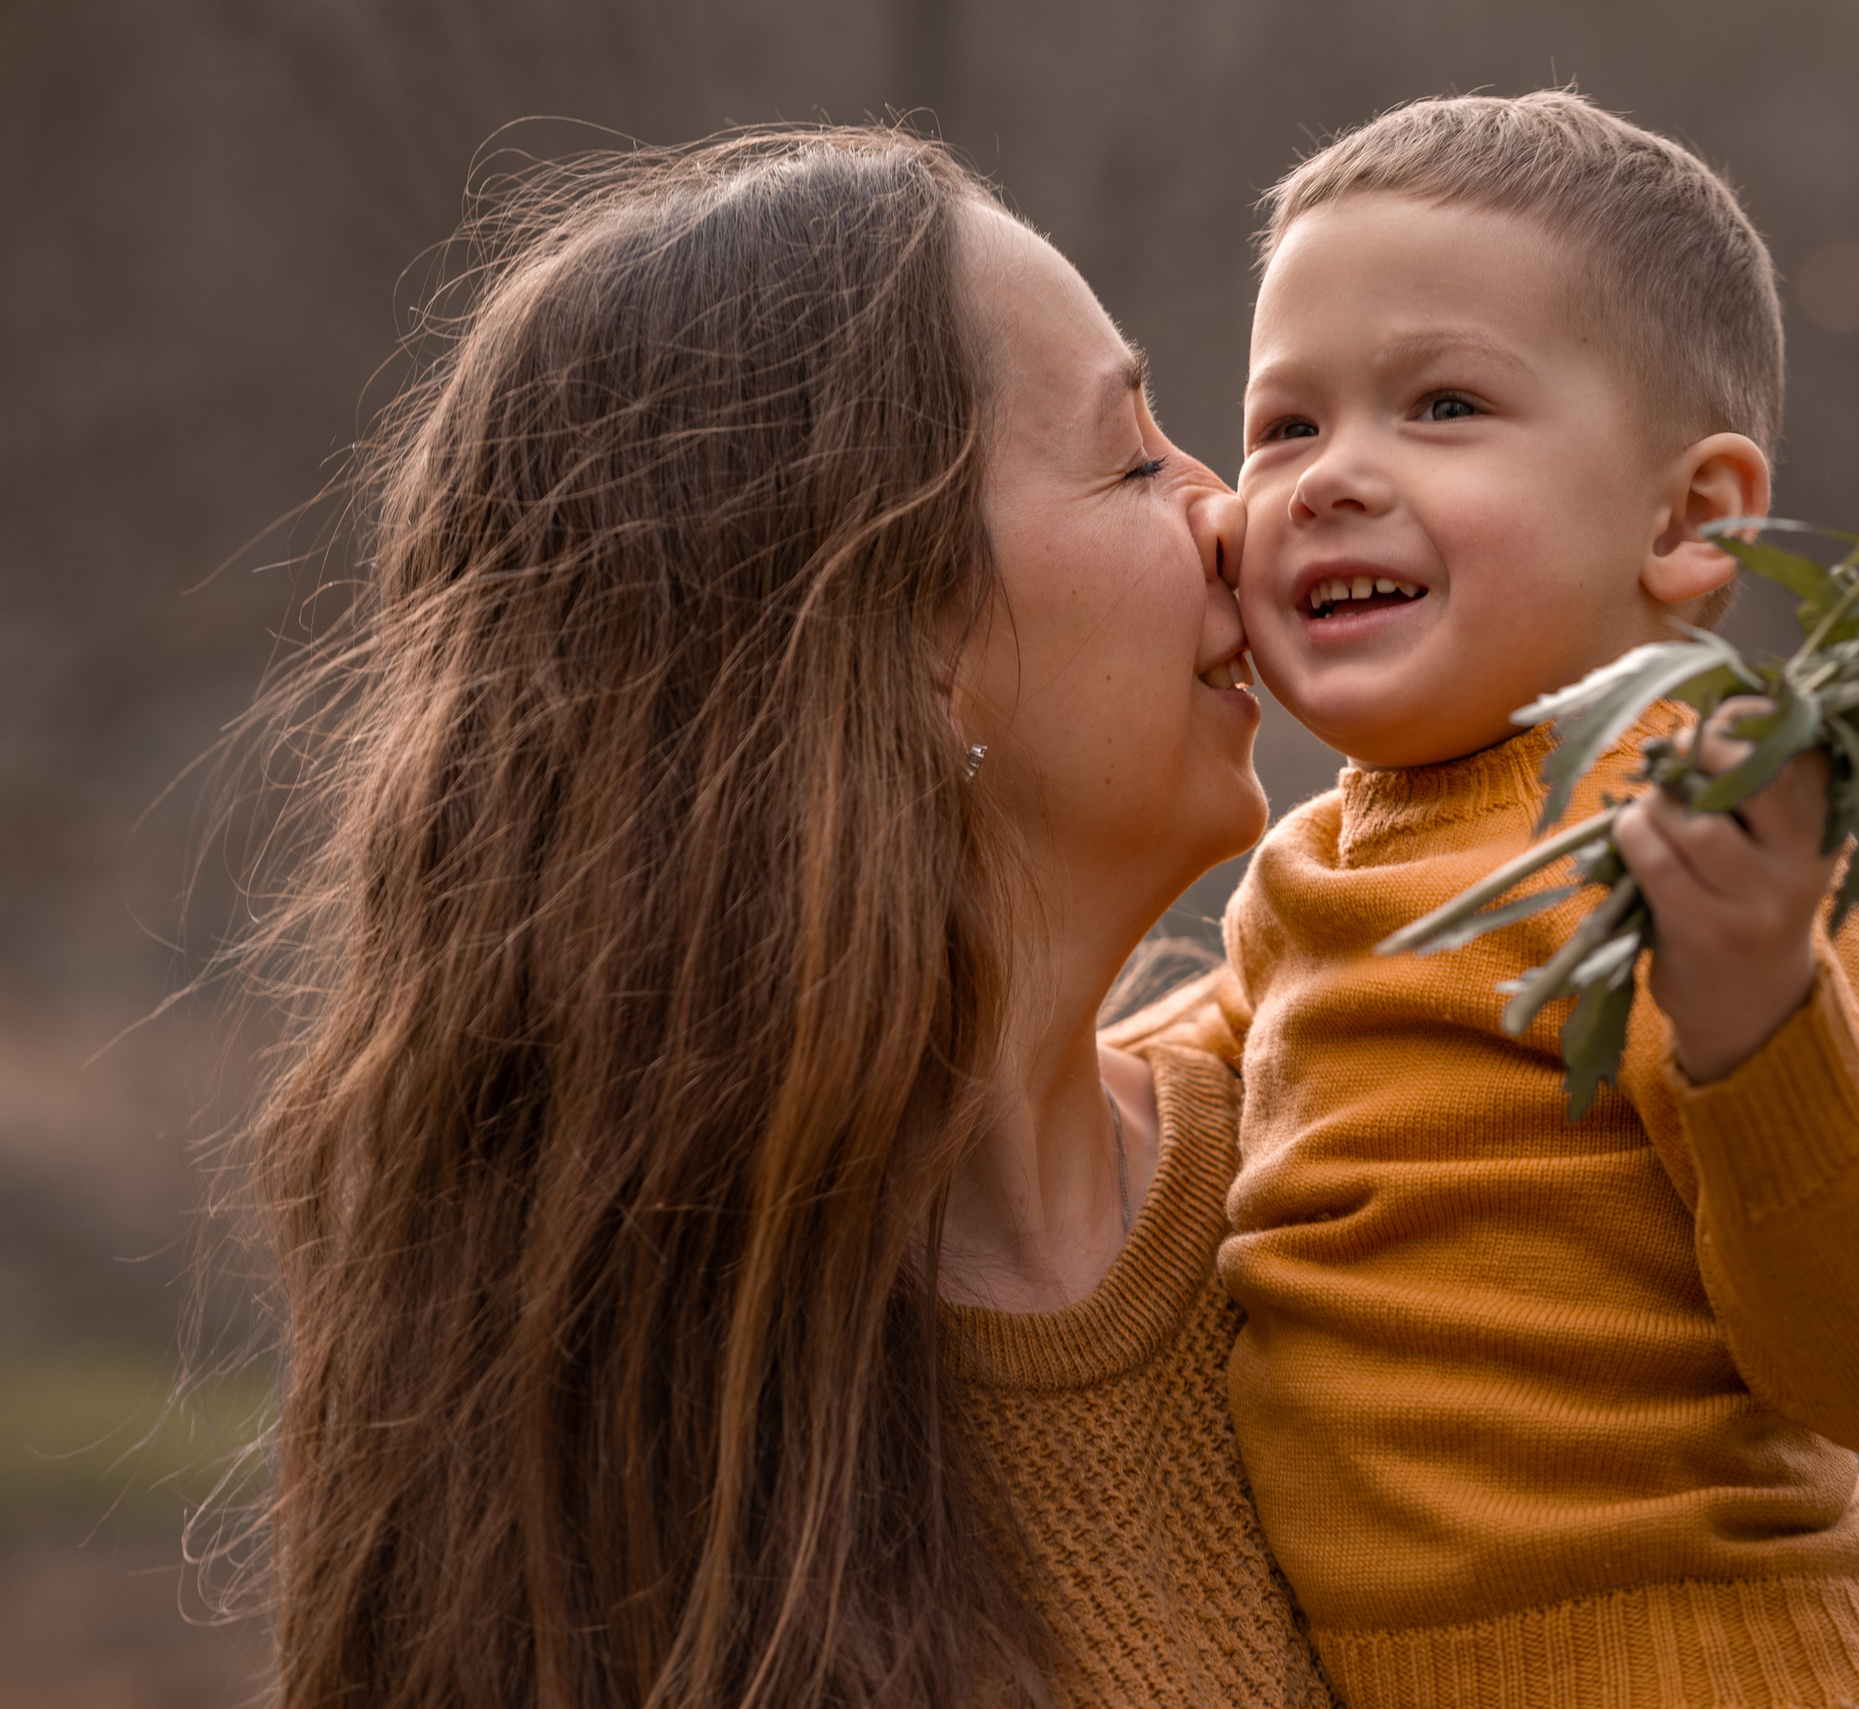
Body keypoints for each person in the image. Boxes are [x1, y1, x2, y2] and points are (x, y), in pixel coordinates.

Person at [224, 127, 1328, 1709]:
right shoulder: (580, 1466)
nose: (1235, 516)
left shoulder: (1370, 1155)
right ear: (900, 636)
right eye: (1137, 455)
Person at [1213, 91, 1859, 1706]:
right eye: (1285, 425)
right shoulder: (1309, 870)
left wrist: (1756, 1021)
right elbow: (1161, 1093)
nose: (1329, 477)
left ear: (1690, 519)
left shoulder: (1703, 830)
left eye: (1441, 405)